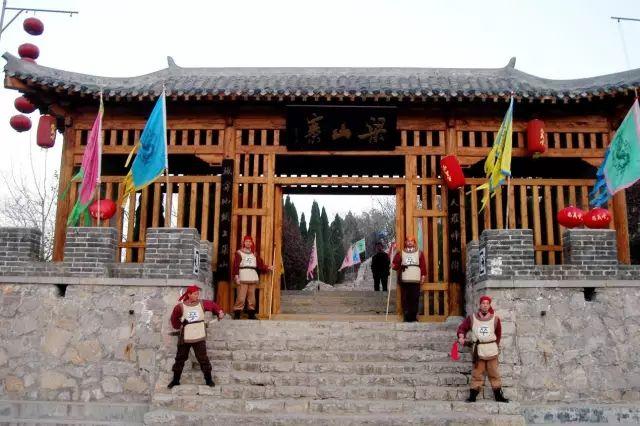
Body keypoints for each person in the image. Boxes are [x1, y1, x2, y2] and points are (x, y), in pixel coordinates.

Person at [168, 284, 224, 389]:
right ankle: (175, 380)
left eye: (198, 294)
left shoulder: (202, 303)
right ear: (189, 295)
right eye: (195, 294)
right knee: (180, 358)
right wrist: (179, 326)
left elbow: (213, 305)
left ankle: (209, 380)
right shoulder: (180, 306)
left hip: (199, 335)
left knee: (203, 359)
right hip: (185, 336)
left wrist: (219, 311)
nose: (197, 296)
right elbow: (174, 318)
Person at [456, 295, 509, 403]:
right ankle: (473, 396)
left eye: (487, 303)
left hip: (491, 350)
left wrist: (494, 345)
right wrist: (461, 336)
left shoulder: (495, 319)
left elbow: (498, 334)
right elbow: (462, 328)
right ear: (480, 305)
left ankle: (498, 396)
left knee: (494, 373)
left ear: (489, 305)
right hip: (478, 351)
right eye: (483, 303)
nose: (485, 305)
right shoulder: (472, 318)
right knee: (477, 374)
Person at [232, 235, 273, 320]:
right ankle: (237, 314)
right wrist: (236, 276)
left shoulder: (254, 254)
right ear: (244, 243)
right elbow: (236, 265)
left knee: (252, 298)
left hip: (252, 276)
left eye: (249, 241)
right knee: (241, 297)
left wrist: (268, 267)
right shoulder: (239, 253)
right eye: (246, 241)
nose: (248, 243)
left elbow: (260, 264)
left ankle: (251, 314)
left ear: (251, 243)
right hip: (243, 276)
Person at [391, 236, 426, 322]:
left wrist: (423, 276)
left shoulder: (419, 253)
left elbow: (423, 266)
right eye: (408, 241)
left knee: (415, 297)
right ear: (405, 242)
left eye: (412, 241)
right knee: (405, 298)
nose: (410, 242)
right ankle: (406, 317)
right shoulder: (401, 253)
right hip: (405, 279)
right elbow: (396, 265)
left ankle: (414, 317)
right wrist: (393, 265)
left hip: (415, 279)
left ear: (414, 243)